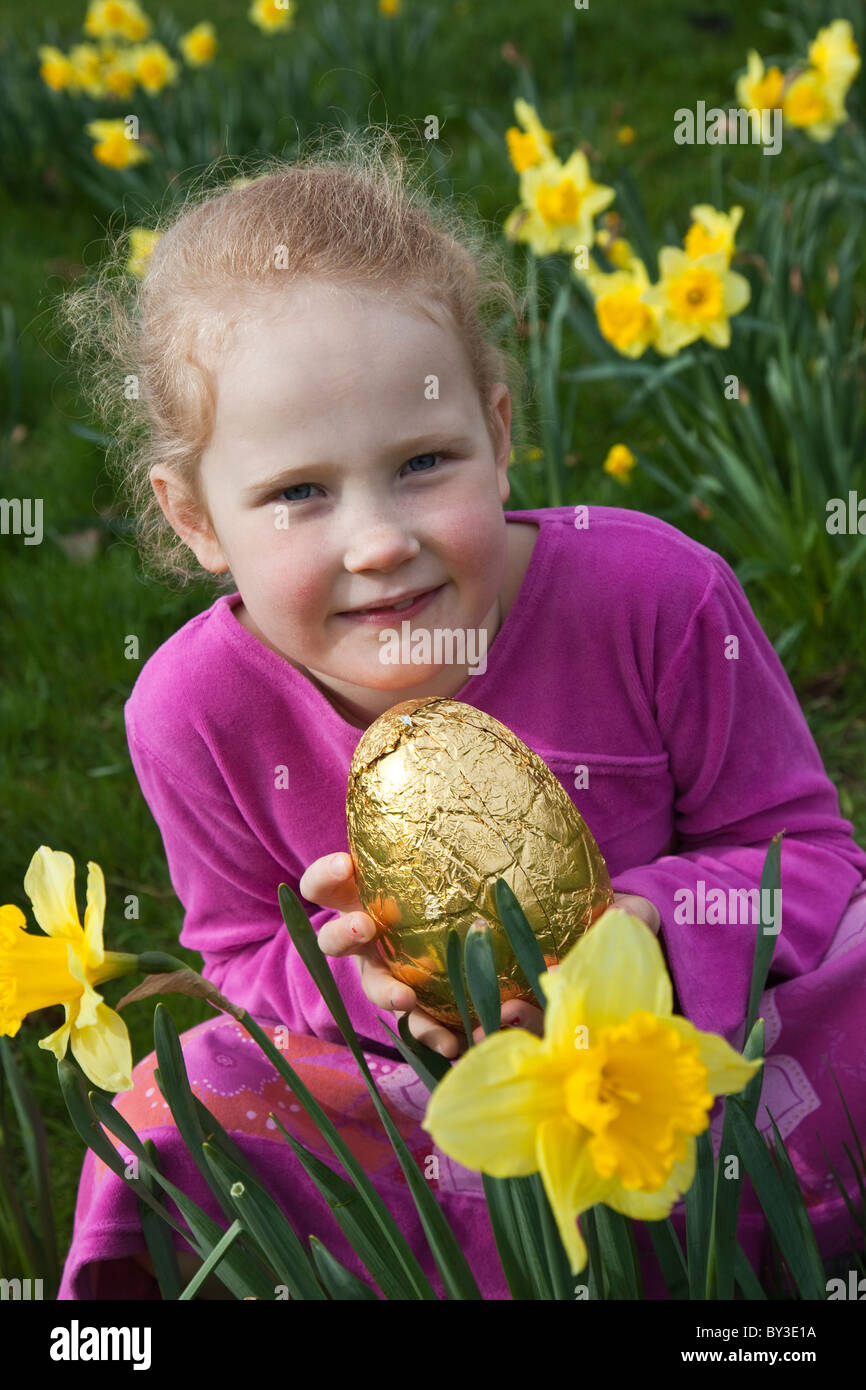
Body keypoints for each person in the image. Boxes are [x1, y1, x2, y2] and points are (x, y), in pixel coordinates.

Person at [56, 133, 866, 1300]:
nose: (378, 539)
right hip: (401, 1082)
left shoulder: (654, 596)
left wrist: (629, 933)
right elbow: (235, 950)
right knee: (173, 1106)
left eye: (424, 461)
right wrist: (362, 990)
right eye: (297, 493)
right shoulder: (191, 710)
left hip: (673, 1049)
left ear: (497, 434)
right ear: (193, 521)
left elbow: (811, 858)